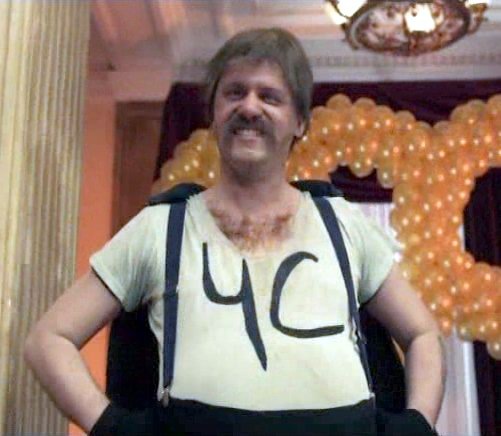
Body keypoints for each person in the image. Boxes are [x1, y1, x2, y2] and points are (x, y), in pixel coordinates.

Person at [25, 28, 445, 435]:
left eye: (270, 96)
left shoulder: (344, 222)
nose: (249, 107)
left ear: (300, 121)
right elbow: (48, 339)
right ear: (213, 115)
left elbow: (422, 333)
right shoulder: (160, 227)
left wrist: (416, 425)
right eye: (234, 92)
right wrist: (115, 428)